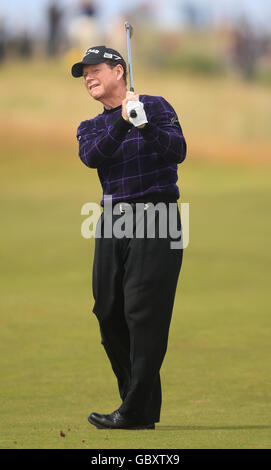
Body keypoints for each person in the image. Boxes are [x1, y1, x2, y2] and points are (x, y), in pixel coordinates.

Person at [71, 45, 187, 430]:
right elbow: (93, 157)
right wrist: (123, 122)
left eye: (95, 69)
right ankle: (135, 403)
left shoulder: (156, 106)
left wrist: (144, 124)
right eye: (84, 73)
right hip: (112, 219)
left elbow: (177, 151)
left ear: (119, 71)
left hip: (158, 216)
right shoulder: (90, 126)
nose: (88, 77)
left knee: (143, 315)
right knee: (107, 310)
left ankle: (134, 410)